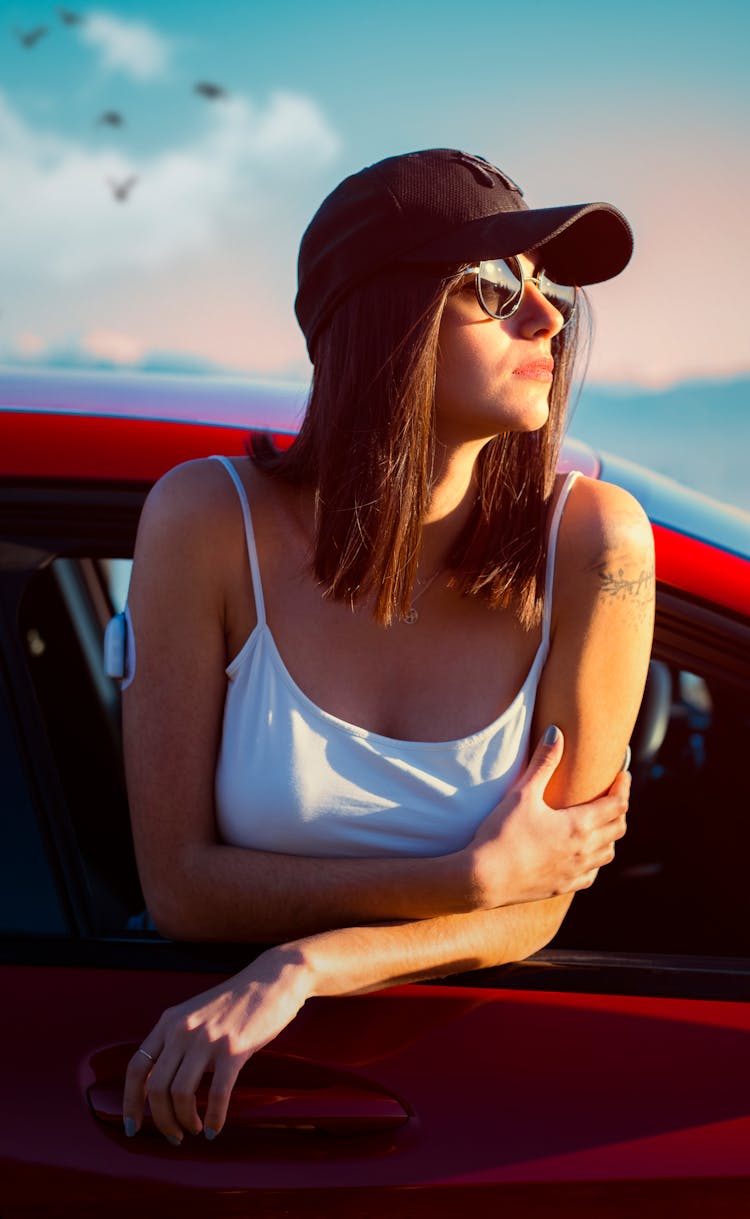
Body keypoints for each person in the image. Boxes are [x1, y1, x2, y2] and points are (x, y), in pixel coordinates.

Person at [120, 148, 654, 1145]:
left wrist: (304, 963)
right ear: (378, 319)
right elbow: (180, 888)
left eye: (551, 293)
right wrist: (464, 883)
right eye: (496, 288)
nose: (546, 319)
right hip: (191, 1115)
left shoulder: (595, 545)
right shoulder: (207, 520)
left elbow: (542, 906)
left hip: (470, 1119)